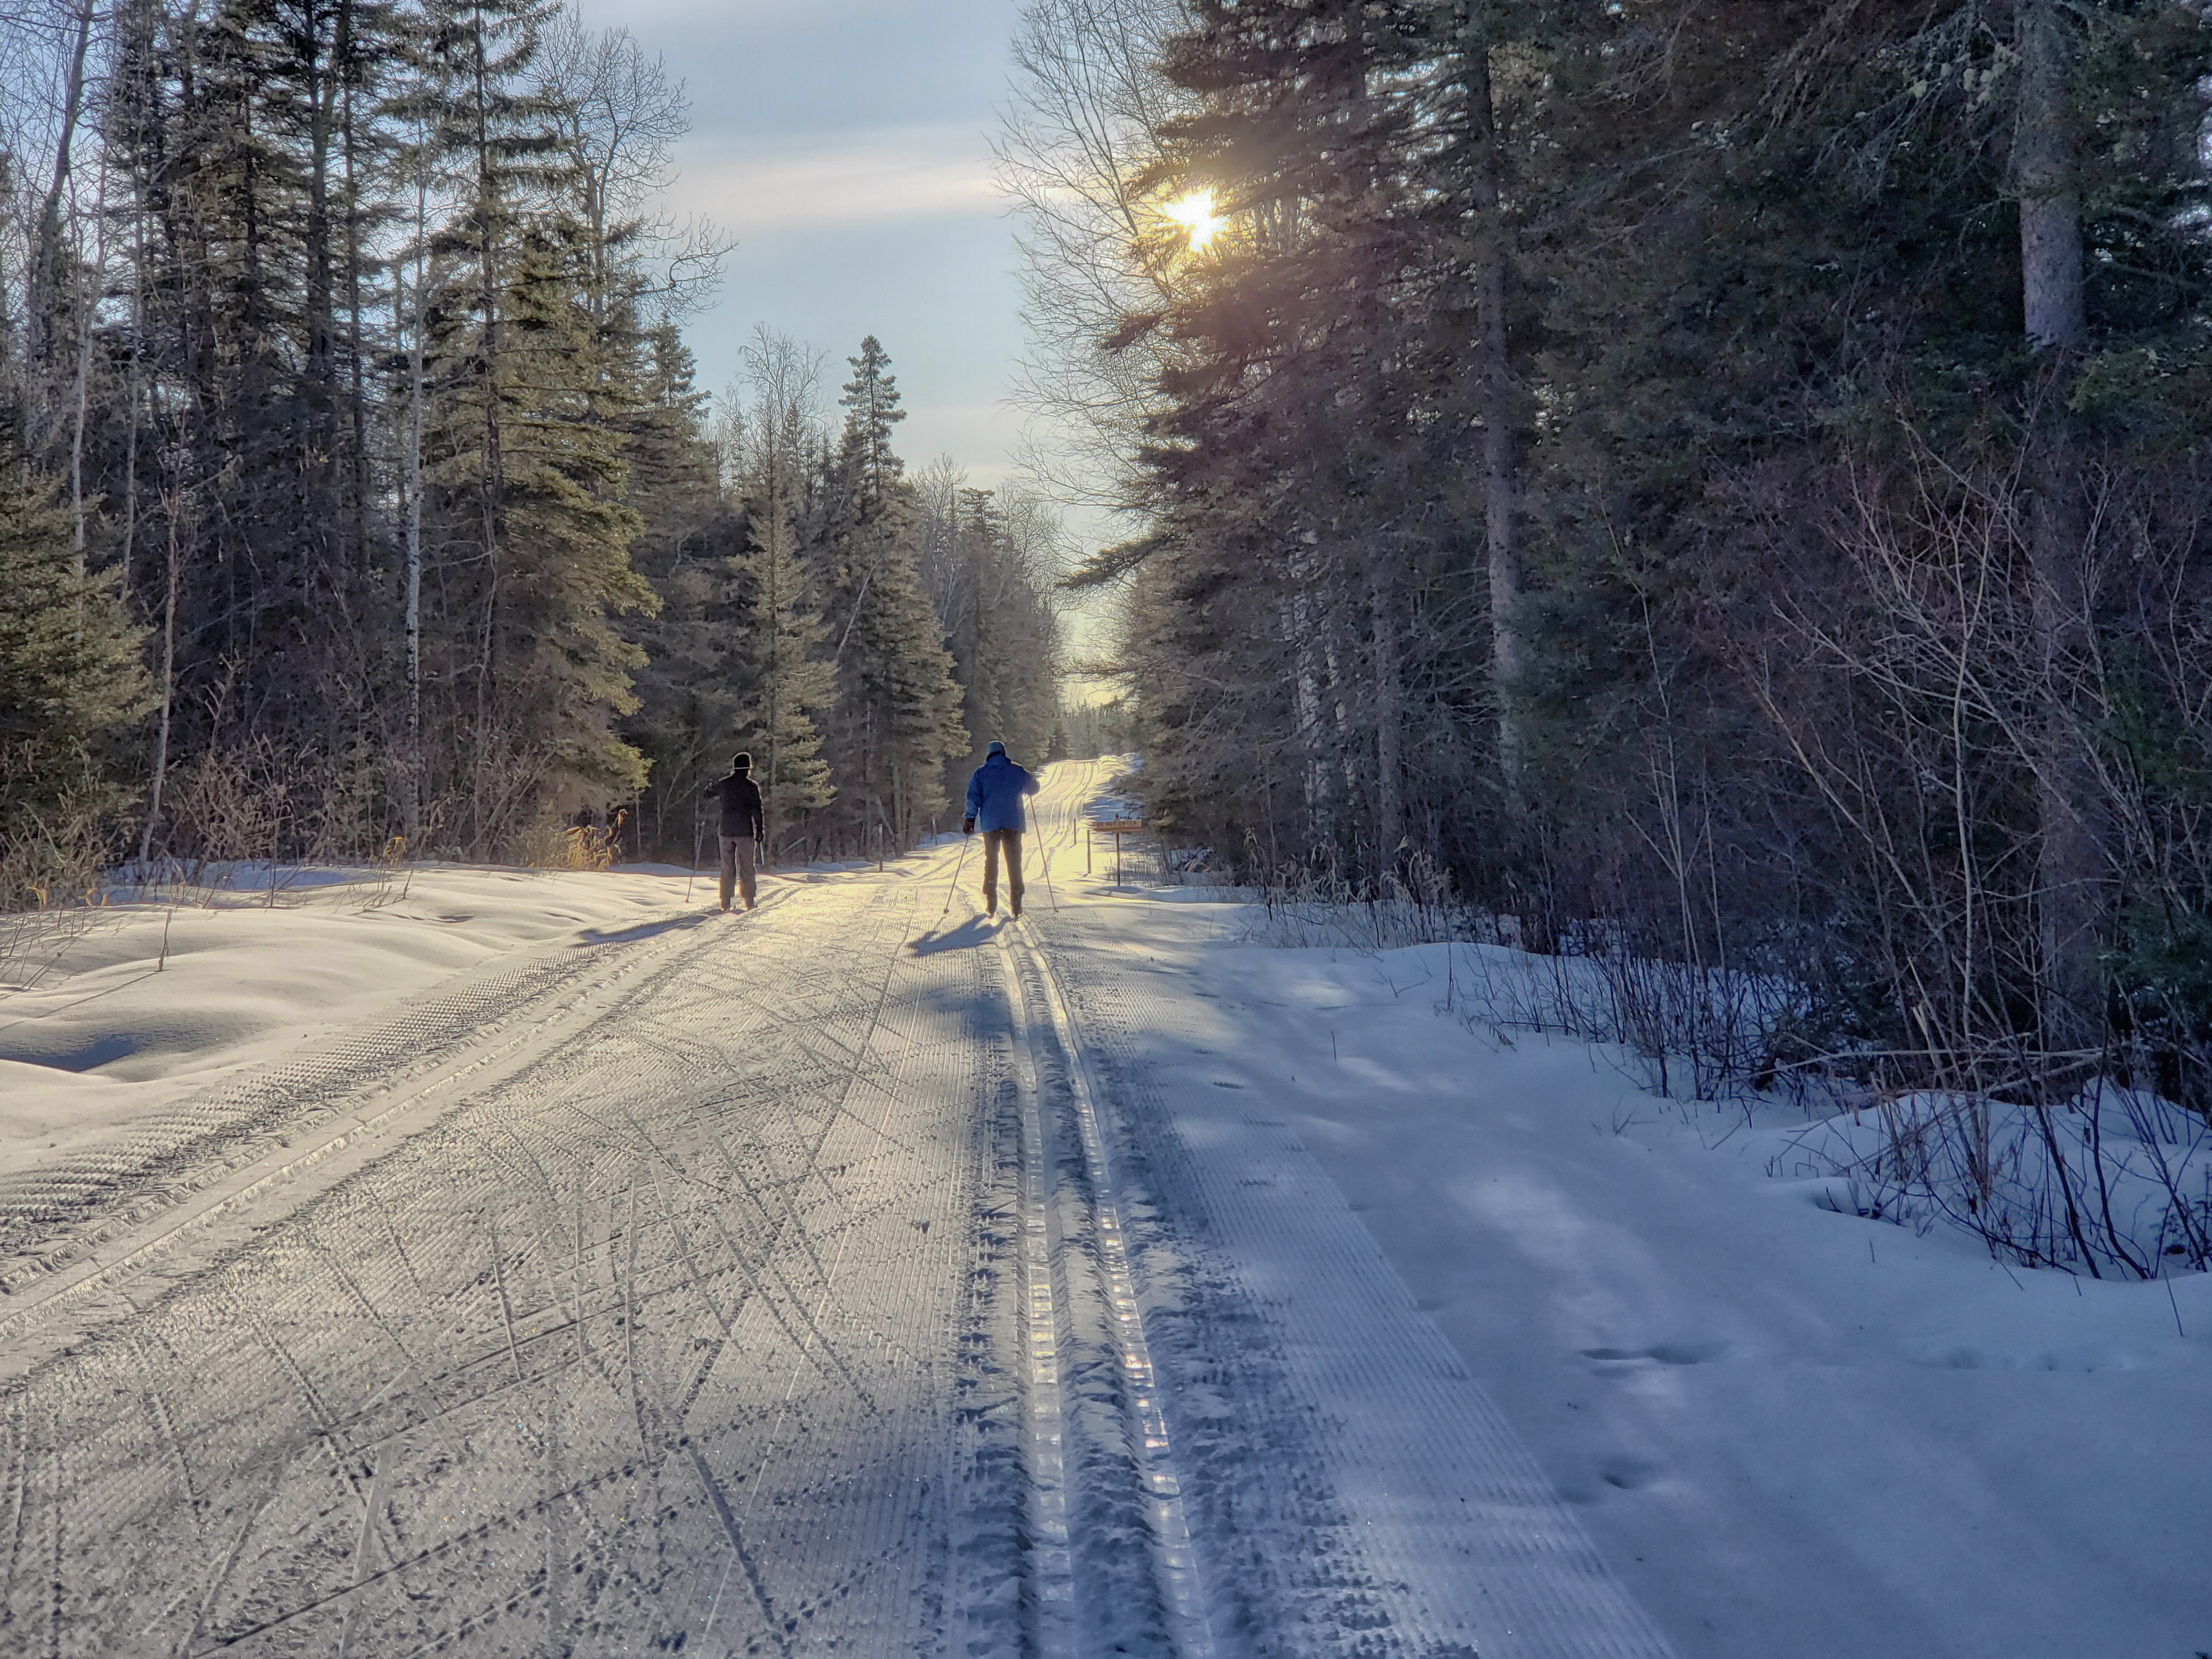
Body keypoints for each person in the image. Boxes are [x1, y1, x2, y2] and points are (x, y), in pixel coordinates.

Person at [963, 740, 1041, 918]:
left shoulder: (981, 774)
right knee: (1014, 863)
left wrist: (970, 819)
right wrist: (1031, 778)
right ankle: (1016, 903)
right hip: (1013, 823)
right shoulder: (1016, 771)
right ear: (1003, 753)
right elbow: (1034, 789)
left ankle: (991, 901)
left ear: (989, 754)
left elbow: (974, 797)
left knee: (991, 860)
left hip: (990, 824)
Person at [706, 753, 764, 911]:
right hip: (745, 832)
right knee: (747, 867)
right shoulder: (752, 787)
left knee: (727, 867)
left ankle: (725, 902)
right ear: (748, 769)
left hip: (725, 831)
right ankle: (749, 901)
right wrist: (760, 829)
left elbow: (708, 794)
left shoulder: (724, 784)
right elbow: (757, 810)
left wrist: (709, 787)